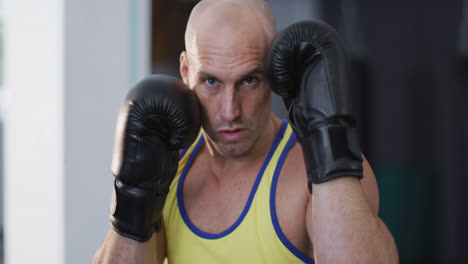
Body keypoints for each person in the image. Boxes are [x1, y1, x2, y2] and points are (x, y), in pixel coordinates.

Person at [93, 0, 399, 263]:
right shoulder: (165, 169)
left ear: (276, 71)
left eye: (249, 81)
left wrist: (330, 138)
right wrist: (134, 196)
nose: (230, 111)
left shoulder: (314, 171)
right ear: (186, 72)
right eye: (211, 81)